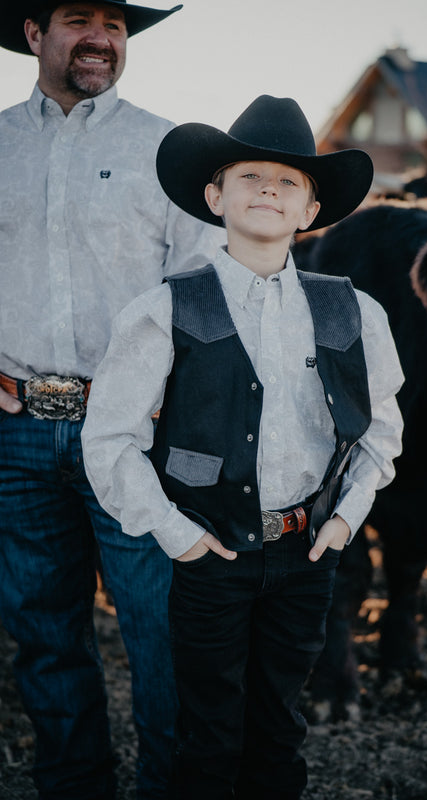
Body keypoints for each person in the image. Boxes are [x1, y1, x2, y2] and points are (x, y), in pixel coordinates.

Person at [81, 94, 404, 799]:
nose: (268, 189)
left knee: (279, 726)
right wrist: (176, 534)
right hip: (209, 554)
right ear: (213, 196)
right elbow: (110, 439)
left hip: (306, 554)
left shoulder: (351, 307)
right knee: (209, 730)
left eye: (289, 181)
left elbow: (381, 425)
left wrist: (345, 518)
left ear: (308, 212)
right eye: (250, 175)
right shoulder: (164, 308)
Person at [0, 3, 224, 799]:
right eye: (78, 19)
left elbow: (203, 289)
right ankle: (73, 787)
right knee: (44, 635)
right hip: (16, 434)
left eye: (116, 25)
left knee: (160, 633)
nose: (101, 38)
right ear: (34, 34)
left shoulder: (168, 149)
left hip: (134, 434)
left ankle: (173, 788)